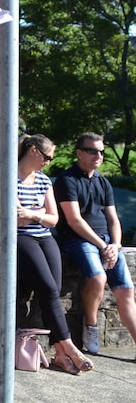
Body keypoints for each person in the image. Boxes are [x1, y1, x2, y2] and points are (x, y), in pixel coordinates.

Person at [15, 134, 93, 374]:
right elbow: (13, 220)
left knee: (53, 289)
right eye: (47, 157)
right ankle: (69, 346)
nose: (48, 162)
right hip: (22, 238)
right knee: (48, 288)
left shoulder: (44, 181)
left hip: (45, 237)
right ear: (32, 150)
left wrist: (33, 214)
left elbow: (53, 219)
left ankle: (59, 353)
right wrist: (37, 213)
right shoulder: (9, 178)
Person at [54, 132, 136, 356]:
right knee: (98, 277)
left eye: (101, 151)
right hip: (78, 240)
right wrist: (103, 245)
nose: (98, 155)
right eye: (92, 151)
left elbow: (113, 219)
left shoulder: (103, 182)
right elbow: (74, 220)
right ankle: (90, 326)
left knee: (126, 290)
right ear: (79, 153)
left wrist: (116, 245)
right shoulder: (66, 180)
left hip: (107, 242)